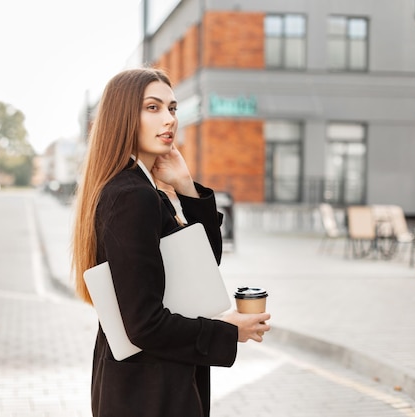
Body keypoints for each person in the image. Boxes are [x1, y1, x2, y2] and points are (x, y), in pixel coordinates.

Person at [71, 67, 271, 417]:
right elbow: (144, 325)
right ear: (123, 117)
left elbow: (200, 264)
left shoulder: (142, 189)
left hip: (147, 385)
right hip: (150, 393)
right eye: (153, 108)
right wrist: (226, 332)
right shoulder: (133, 196)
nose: (169, 119)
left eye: (173, 108)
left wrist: (186, 187)